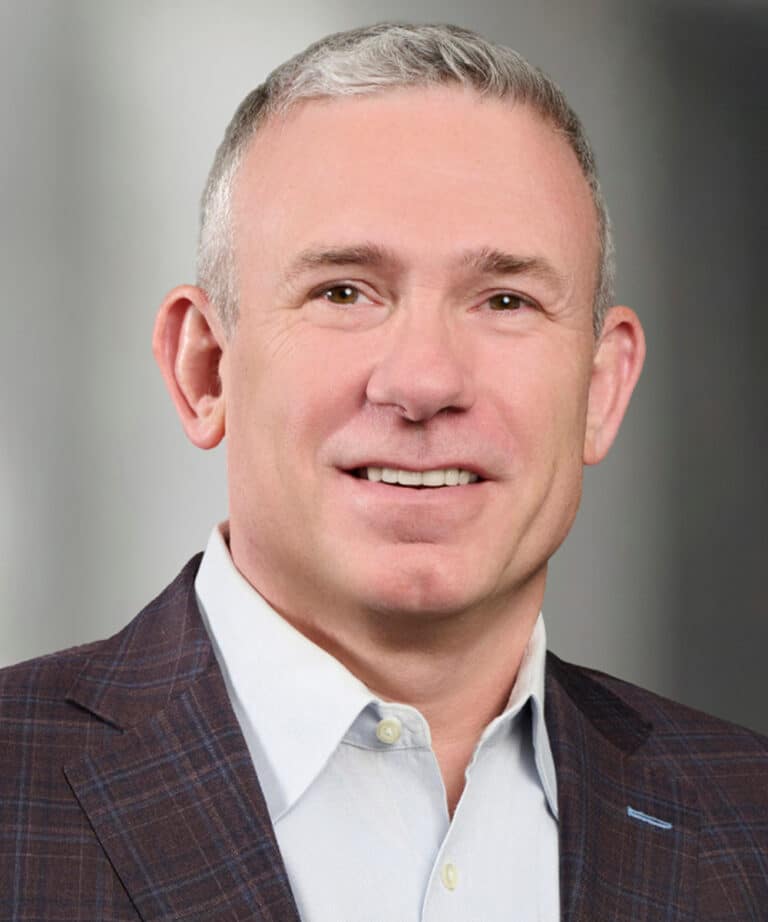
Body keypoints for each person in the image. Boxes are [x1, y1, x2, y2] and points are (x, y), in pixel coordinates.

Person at [1, 22, 767, 922]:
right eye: (343, 291)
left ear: (600, 390)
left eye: (506, 300)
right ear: (204, 369)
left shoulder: (748, 819)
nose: (424, 382)